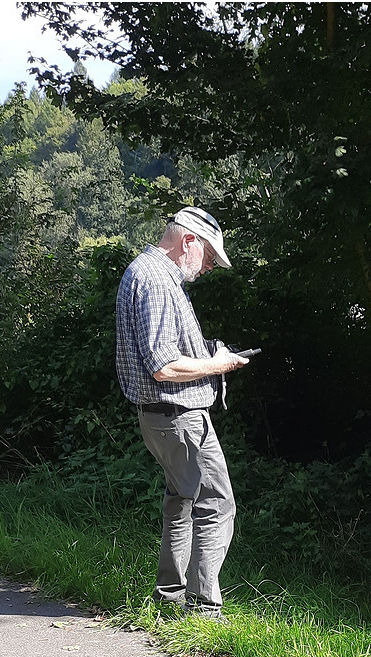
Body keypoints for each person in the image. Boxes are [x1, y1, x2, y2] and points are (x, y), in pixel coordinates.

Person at [115, 206, 248, 619]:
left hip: (160, 416)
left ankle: (169, 599)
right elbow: (163, 364)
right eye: (209, 257)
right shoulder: (156, 280)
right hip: (179, 416)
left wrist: (210, 352)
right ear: (188, 241)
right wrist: (218, 365)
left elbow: (167, 351)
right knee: (216, 503)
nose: (209, 267)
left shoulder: (149, 272)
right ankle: (205, 608)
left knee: (182, 500)